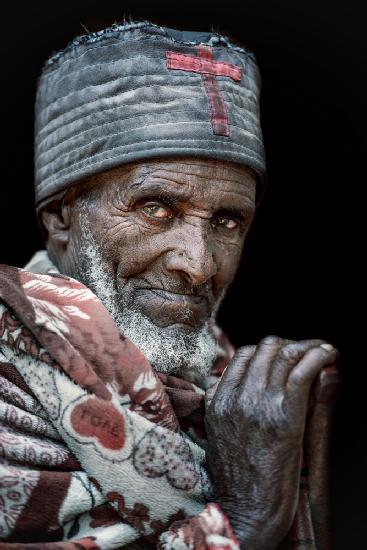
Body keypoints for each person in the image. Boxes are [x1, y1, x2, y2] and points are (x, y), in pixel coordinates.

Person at [0, 21, 339, 549]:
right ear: (60, 217)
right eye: (155, 208)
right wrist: (244, 523)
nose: (198, 265)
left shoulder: (235, 387)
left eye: (227, 222)